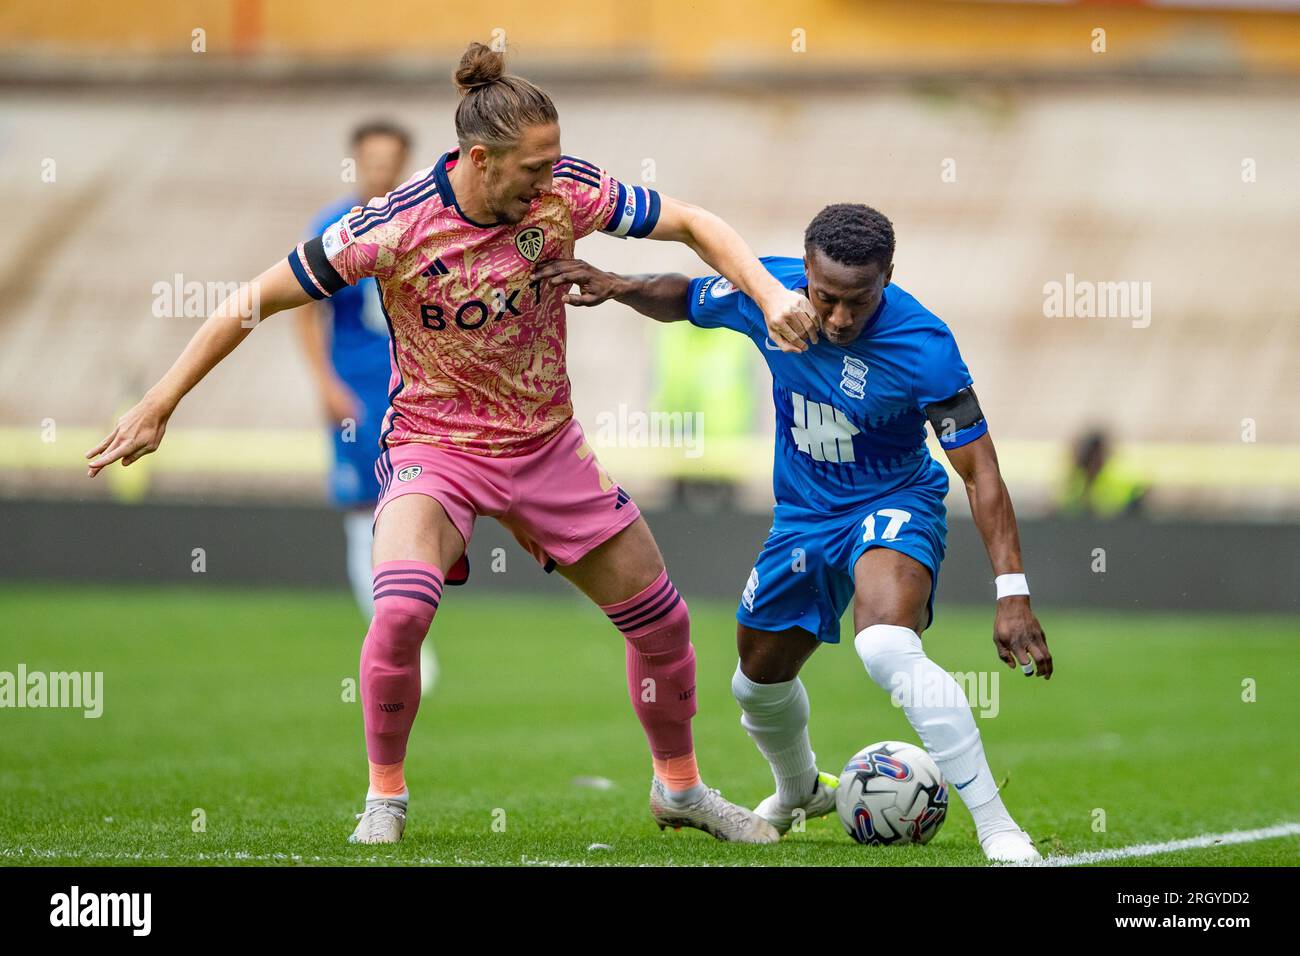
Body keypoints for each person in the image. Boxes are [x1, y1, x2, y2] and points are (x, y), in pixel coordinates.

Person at [85, 41, 820, 846]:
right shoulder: (389, 228)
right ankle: (386, 800)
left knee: (663, 626)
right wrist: (160, 402)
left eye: (555, 163)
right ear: (479, 158)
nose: (553, 181)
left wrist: (771, 291)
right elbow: (248, 302)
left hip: (547, 448)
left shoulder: (564, 194)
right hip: (437, 453)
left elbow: (689, 221)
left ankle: (679, 790)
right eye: (535, 168)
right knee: (399, 613)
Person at [533, 203, 1053, 862]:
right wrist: (618, 283)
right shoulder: (771, 295)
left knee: (887, 648)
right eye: (825, 297)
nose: (837, 318)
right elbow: (688, 297)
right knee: (756, 682)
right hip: (804, 516)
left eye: (857, 303)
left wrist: (1013, 593)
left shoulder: (925, 347)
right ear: (805, 271)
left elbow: (981, 475)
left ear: (887, 279)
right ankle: (799, 790)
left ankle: (997, 825)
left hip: (894, 500)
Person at [294, 119, 440, 695]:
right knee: (363, 516)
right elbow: (305, 308)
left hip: (416, 392)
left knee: (416, 510)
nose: (378, 169)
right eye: (369, 159)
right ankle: (401, 643)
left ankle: (407, 630)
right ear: (355, 161)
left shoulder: (420, 219)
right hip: (357, 391)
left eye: (389, 160)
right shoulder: (332, 228)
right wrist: (324, 382)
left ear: (403, 164)